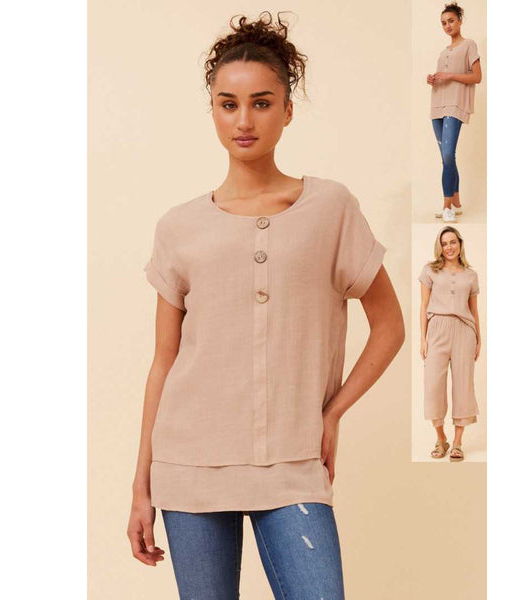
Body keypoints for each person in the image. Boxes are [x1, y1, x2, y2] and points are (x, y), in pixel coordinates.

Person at [126, 11, 405, 599]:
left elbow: (389, 326)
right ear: (212, 110)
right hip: (188, 466)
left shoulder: (330, 208)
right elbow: (164, 362)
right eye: (228, 104)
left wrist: (332, 414)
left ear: (288, 110)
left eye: (261, 103)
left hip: (293, 463)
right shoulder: (179, 226)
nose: (244, 120)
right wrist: (140, 486)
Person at [418, 226, 481, 462]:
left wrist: (479, 338)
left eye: (453, 242)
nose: (449, 247)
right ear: (440, 247)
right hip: (437, 329)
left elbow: (474, 310)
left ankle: (457, 443)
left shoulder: (470, 275)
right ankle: (441, 438)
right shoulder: (430, 270)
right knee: (433, 385)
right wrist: (423, 338)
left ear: (460, 243)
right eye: (444, 243)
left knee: (464, 386)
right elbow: (424, 305)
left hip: (464, 331)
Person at [426, 2, 482, 223]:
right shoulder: (443, 52)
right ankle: (456, 201)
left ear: (459, 21)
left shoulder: (469, 45)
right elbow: (444, 76)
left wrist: (449, 76)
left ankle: (446, 206)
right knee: (446, 157)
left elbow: (477, 77)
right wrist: (433, 79)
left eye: (450, 21)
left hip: (455, 105)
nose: (447, 25)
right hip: (437, 104)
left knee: (448, 155)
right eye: (443, 23)